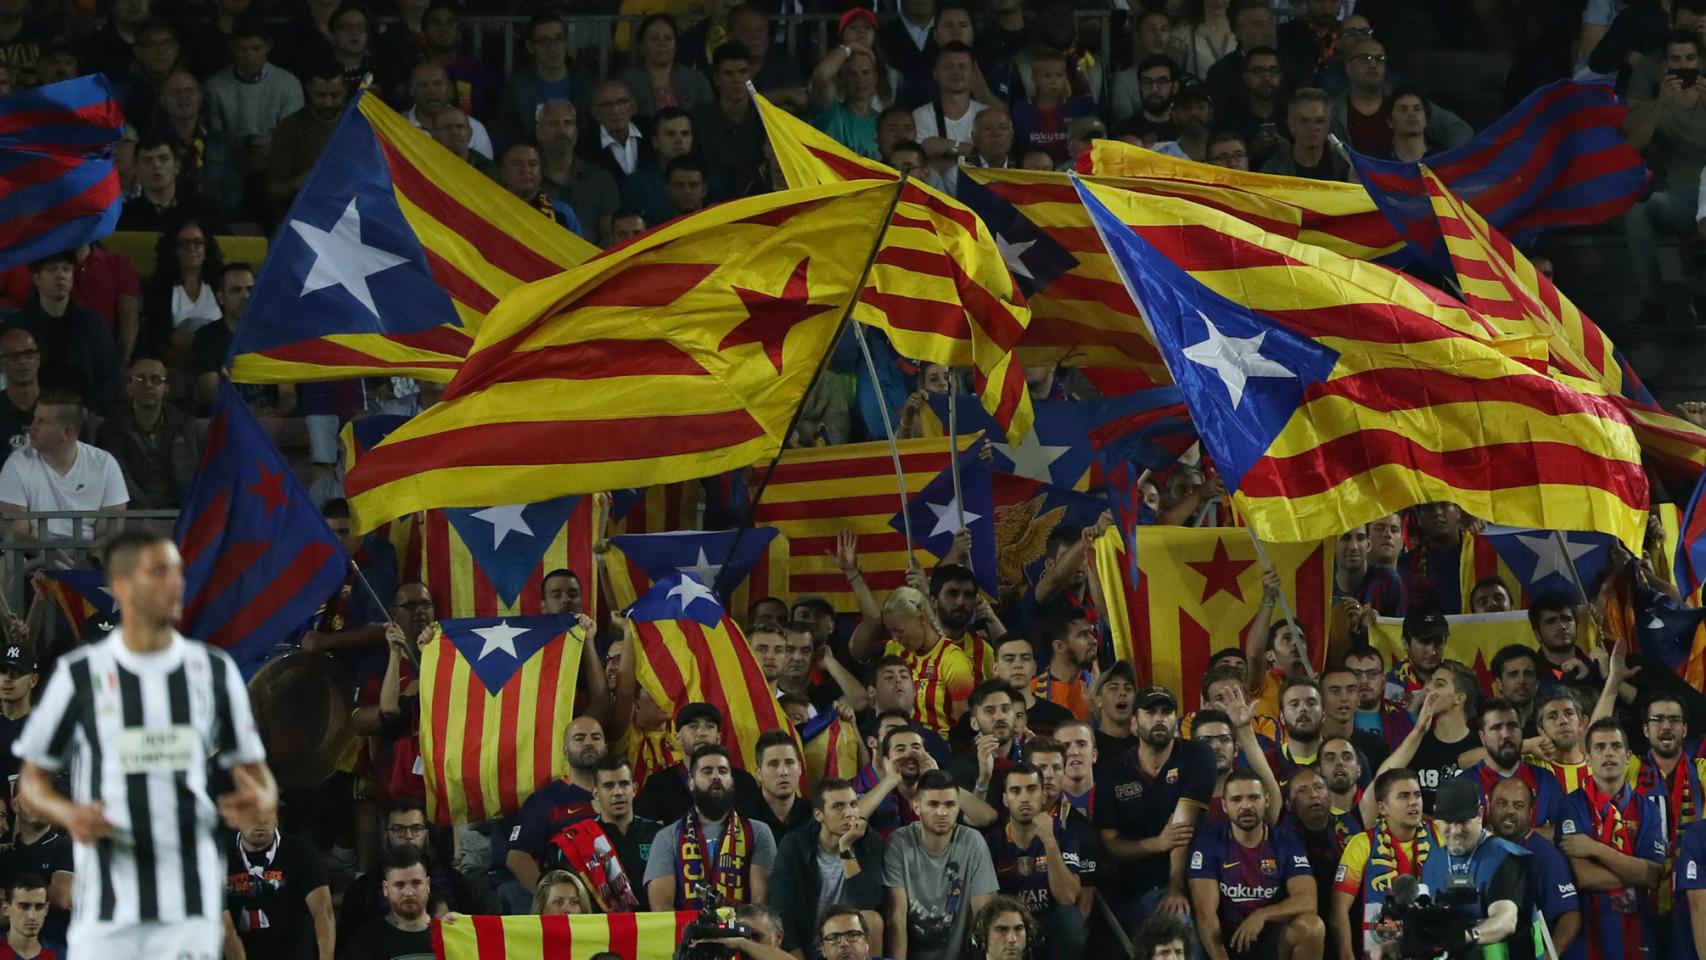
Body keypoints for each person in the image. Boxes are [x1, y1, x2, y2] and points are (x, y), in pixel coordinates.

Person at [14, 530, 276, 956]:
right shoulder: (76, 677)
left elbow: (258, 774)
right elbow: (32, 781)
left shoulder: (212, 671)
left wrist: (257, 798)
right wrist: (72, 814)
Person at [1096, 684, 1215, 928]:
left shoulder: (1198, 755)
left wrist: (1175, 888)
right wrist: (1156, 844)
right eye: (1150, 712)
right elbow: (1109, 844)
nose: (1159, 718)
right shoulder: (1113, 771)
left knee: (1179, 919)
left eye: (1167, 712)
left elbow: (1181, 828)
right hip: (1135, 890)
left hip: (1195, 880)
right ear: (1133, 722)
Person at [1556, 718, 1668, 958]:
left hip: (1640, 936)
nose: (1609, 753)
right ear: (1587, 758)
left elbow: (1653, 876)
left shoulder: (1647, 809)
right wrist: (1635, 871)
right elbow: (1582, 876)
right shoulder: (1570, 806)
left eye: (1616, 746)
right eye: (1600, 747)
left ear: (1628, 756)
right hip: (1587, 939)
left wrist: (1595, 849)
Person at [1187, 768, 1323, 960]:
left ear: (1266, 801)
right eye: (1236, 799)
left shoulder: (1286, 841)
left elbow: (1308, 901)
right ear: (1224, 805)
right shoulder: (1209, 842)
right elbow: (1205, 914)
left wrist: (1262, 914)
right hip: (1227, 941)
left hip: (1271, 940)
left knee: (1312, 926)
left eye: (1253, 798)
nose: (1246, 806)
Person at [1623, 29, 1706, 324]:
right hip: (1683, 196)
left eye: (1690, 58)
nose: (1684, 66)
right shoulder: (1659, 105)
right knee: (1637, 211)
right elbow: (1632, 147)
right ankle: (1652, 303)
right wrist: (1661, 103)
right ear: (1666, 66)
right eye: (1676, 59)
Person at [881, 769, 998, 960]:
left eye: (950, 804)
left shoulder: (972, 841)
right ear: (916, 807)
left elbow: (984, 917)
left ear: (958, 807)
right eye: (933, 804)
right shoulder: (899, 842)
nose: (942, 812)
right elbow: (896, 917)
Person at [643, 744, 776, 909]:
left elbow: (760, 903)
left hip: (742, 933)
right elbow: (661, 909)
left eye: (722, 771)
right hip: (685, 933)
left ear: (732, 782)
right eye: (707, 771)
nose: (716, 777)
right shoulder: (666, 837)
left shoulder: (759, 832)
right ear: (691, 783)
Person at [1421, 778, 1537, 959]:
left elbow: (1506, 920)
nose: (1456, 830)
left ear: (1480, 814)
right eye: (1448, 822)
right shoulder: (1433, 860)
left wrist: (1466, 936)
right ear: (1436, 818)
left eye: (1463, 821)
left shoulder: (1505, 858)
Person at [769, 778, 885, 959]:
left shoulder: (869, 841)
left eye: (853, 805)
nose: (849, 813)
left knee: (873, 919)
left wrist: (846, 848)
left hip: (850, 945)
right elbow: (782, 912)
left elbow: (868, 902)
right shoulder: (795, 846)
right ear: (818, 815)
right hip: (808, 946)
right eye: (838, 806)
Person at [0, 390, 129, 547]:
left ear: (68, 433)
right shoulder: (17, 464)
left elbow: (110, 533)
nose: (32, 426)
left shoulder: (105, 464)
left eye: (42, 421)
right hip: (33, 563)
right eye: (34, 418)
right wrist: (51, 562)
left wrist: (84, 564)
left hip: (92, 561)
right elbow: (17, 534)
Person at [984, 761, 1087, 955]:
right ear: (1005, 800)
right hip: (1009, 927)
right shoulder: (991, 843)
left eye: (1031, 789)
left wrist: (1049, 842)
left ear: (1043, 795)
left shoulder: (1063, 835)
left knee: (1071, 920)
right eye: (1015, 791)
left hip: (1049, 925)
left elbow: (1068, 897)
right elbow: (987, 907)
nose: (1024, 798)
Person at [1333, 769, 1437, 959]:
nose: (1413, 802)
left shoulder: (1439, 834)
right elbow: (1339, 907)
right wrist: (1346, 954)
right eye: (1404, 796)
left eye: (1417, 795)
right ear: (1382, 808)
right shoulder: (1362, 843)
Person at [6, 253, 121, 417]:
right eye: (52, 270)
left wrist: (88, 409)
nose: (61, 275)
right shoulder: (18, 325)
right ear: (37, 279)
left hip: (83, 413)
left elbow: (109, 377)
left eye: (66, 269)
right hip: (29, 414)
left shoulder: (92, 322)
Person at [1486, 777, 1583, 960]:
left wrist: (1550, 955)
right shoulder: (1477, 847)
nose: (1509, 811)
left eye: (1518, 805)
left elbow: (1570, 915)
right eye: (1502, 803)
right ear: (1488, 804)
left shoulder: (1546, 855)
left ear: (1531, 812)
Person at [222, 811, 334, 960]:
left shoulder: (302, 852)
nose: (261, 820)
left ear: (276, 818)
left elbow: (323, 914)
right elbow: (225, 929)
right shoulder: (219, 857)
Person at [97, 356, 199, 511]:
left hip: (181, 513)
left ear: (166, 388)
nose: (148, 385)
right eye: (140, 379)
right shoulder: (111, 428)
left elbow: (197, 476)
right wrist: (147, 513)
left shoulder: (187, 427)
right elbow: (119, 479)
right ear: (129, 388)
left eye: (156, 379)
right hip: (132, 514)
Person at [1457, 698, 1566, 832]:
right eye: (1496, 728)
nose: (1506, 735)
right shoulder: (1463, 784)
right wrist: (1536, 833)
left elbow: (1565, 834)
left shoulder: (1544, 779)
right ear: (1482, 737)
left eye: (1513, 726)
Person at [0, 783, 73, 949]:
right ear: (15, 804)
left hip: (57, 948)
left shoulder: (67, 848)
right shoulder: (5, 856)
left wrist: (7, 895)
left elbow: (62, 896)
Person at [338, 845, 434, 960]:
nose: (408, 892)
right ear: (385, 888)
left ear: (427, 884)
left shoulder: (449, 934)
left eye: (416, 883)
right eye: (399, 885)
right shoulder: (367, 940)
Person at [1261, 87, 1350, 180]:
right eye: (1305, 121)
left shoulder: (1345, 166)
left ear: (1328, 126)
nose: (1313, 127)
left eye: (1320, 121)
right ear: (1291, 124)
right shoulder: (1273, 172)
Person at [747, 729, 812, 839]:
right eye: (774, 764)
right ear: (759, 773)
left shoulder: (815, 816)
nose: (783, 772)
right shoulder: (744, 819)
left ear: (800, 768)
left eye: (790, 763)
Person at [1, 873, 64, 959]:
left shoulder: (60, 954)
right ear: (6, 909)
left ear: (46, 909)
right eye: (24, 906)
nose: (32, 916)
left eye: (39, 907)